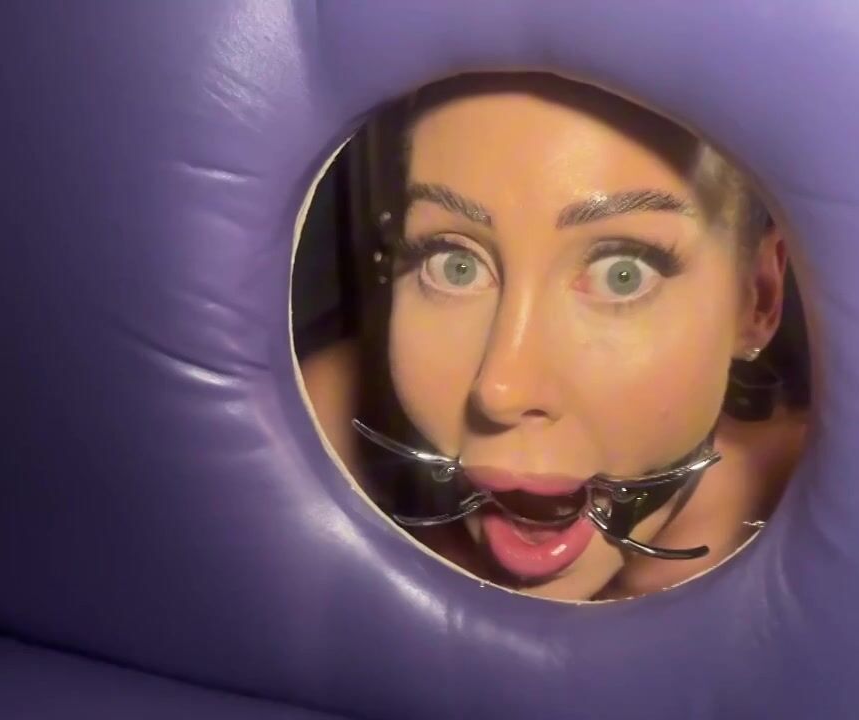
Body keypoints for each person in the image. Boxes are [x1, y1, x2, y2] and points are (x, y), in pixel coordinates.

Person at [299, 73, 808, 601]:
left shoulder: (835, 517)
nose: (502, 391)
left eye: (622, 273)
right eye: (454, 265)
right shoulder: (315, 440)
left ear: (759, 299)